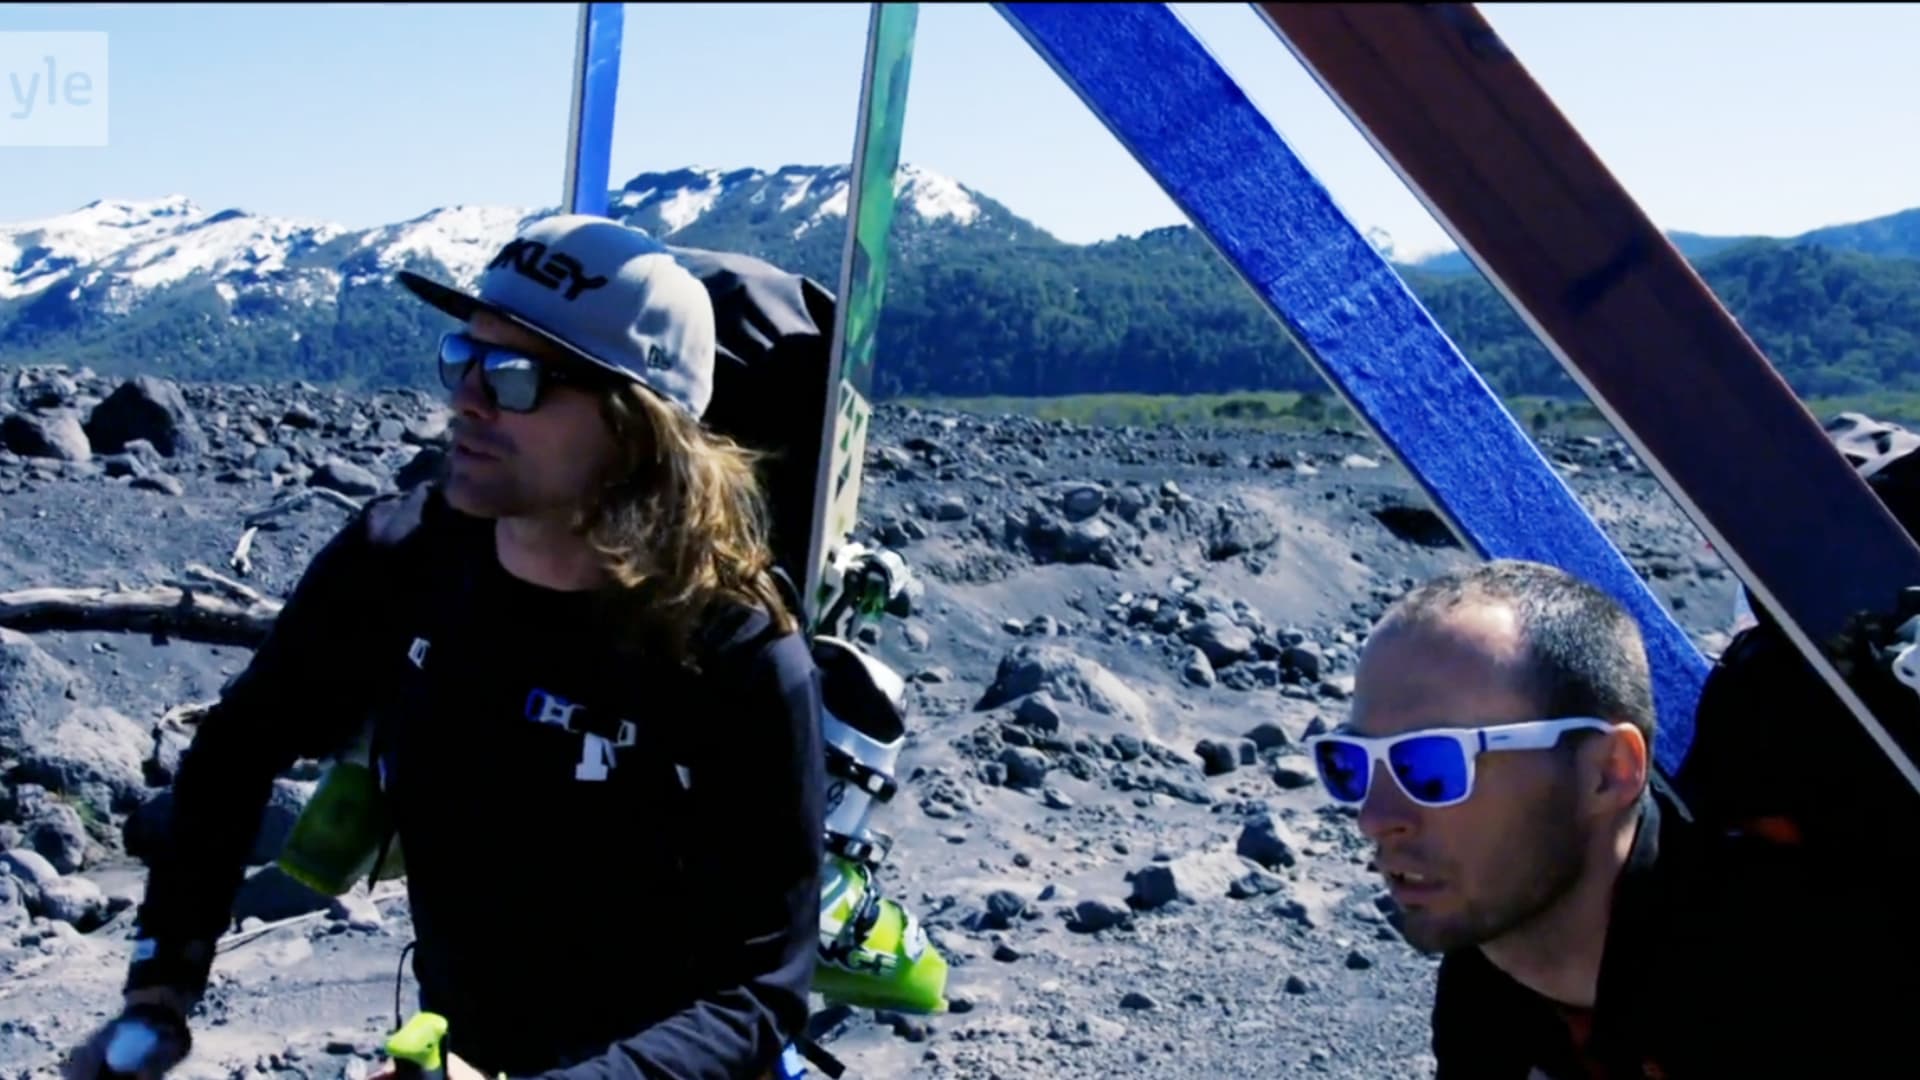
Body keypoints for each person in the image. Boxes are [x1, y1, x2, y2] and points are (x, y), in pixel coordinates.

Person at [61, 215, 827, 1080]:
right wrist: (161, 988)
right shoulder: (402, 560)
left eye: (515, 378)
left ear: (637, 429)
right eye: (462, 358)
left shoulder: (734, 652)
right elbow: (235, 753)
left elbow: (759, 994)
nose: (467, 398)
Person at [1307, 558, 1894, 1078]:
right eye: (1350, 765)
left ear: (1608, 771)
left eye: (1432, 764)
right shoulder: (1485, 990)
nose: (1374, 817)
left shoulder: (1810, 989)